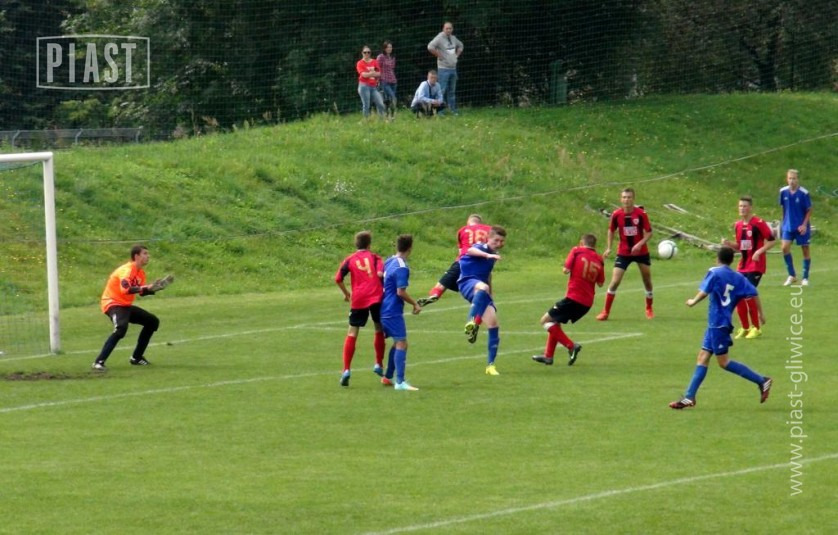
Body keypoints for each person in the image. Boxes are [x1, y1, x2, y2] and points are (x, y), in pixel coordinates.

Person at [669, 246, 772, 409]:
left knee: (723, 362)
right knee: (703, 357)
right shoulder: (738, 277)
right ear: (731, 260)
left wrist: (693, 302)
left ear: (717, 258)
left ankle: (762, 380)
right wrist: (761, 314)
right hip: (716, 324)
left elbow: (704, 292)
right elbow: (754, 292)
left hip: (719, 323)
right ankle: (689, 397)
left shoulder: (714, 272)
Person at [92, 244, 173, 370]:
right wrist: (146, 287)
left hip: (125, 305)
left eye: (148, 254)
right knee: (121, 329)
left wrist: (154, 288)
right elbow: (125, 289)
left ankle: (137, 357)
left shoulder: (140, 273)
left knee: (152, 322)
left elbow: (140, 292)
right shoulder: (127, 270)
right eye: (145, 253)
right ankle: (98, 362)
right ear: (136, 256)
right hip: (112, 303)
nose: (148, 256)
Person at [532, 234, 604, 367]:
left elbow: (565, 270)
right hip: (587, 303)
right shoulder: (599, 259)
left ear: (581, 242)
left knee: (545, 321)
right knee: (555, 321)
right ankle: (548, 356)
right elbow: (600, 283)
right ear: (594, 245)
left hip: (573, 298)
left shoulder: (577, 251)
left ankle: (571, 346)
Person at [335, 231, 386, 387]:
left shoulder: (350, 259)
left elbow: (338, 278)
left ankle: (346, 370)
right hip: (376, 295)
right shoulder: (375, 257)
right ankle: (378, 364)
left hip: (358, 297)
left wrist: (347, 294)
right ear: (369, 244)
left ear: (356, 244)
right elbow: (380, 274)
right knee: (378, 328)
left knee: (352, 332)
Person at [721, 196, 776, 339]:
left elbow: (772, 241)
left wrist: (758, 252)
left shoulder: (759, 223)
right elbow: (741, 247)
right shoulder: (738, 225)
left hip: (756, 265)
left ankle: (756, 328)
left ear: (750, 208)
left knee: (748, 294)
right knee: (737, 295)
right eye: (740, 206)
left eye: (745, 206)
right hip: (743, 265)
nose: (742, 209)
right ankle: (745, 327)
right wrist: (729, 244)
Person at [596, 188, 654, 320]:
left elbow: (649, 232)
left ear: (633, 199)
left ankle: (649, 308)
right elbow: (611, 230)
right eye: (624, 197)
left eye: (629, 197)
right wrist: (609, 248)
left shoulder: (641, 214)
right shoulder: (617, 214)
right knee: (615, 281)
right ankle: (605, 312)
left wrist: (639, 244)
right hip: (623, 252)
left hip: (641, 252)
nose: (626, 200)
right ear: (621, 199)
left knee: (647, 280)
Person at [458, 225, 506, 376]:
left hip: (481, 288)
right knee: (482, 287)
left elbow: (488, 275)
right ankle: (470, 322)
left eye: (501, 241)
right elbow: (470, 251)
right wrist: (487, 255)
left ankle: (490, 366)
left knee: (493, 324)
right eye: (496, 240)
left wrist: (491, 295)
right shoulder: (481, 247)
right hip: (467, 282)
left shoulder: (493, 255)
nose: (499, 244)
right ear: (488, 238)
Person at [418, 214, 491, 307]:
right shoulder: (489, 229)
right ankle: (480, 301)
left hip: (463, 261)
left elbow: (461, 251)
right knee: (479, 285)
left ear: (468, 222)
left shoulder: (462, 230)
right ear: (480, 222)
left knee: (443, 282)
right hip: (481, 264)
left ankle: (435, 294)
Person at [380, 234, 422, 391]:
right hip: (392, 310)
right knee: (401, 343)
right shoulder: (402, 267)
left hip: (383, 307)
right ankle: (400, 382)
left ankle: (387, 376)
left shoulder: (389, 261)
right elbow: (400, 292)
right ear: (410, 248)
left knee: (399, 342)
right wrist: (415, 304)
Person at [779, 169, 812, 286]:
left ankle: (805, 277)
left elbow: (809, 210)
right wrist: (783, 223)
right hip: (788, 226)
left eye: (794, 178)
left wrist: (804, 225)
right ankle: (792, 275)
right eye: (790, 178)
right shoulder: (783, 192)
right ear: (787, 179)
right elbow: (783, 208)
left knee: (805, 250)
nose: (792, 181)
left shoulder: (804, 193)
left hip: (801, 226)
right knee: (784, 248)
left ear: (798, 179)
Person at [427, 21, 463, 115]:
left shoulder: (453, 38)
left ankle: (453, 110)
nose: (448, 30)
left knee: (452, 91)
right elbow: (430, 47)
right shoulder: (439, 38)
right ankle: (440, 111)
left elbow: (461, 45)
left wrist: (456, 55)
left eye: (450, 28)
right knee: (442, 90)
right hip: (443, 69)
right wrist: (439, 55)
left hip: (453, 68)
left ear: (452, 29)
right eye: (447, 28)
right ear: (443, 29)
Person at [356, 45, 386, 118]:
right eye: (365, 52)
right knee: (366, 105)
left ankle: (382, 120)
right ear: (362, 53)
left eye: (368, 52)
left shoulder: (375, 61)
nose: (367, 54)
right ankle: (366, 121)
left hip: (373, 87)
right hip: (364, 86)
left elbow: (379, 73)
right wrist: (373, 73)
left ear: (370, 53)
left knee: (380, 104)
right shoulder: (360, 63)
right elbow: (364, 75)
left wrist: (370, 73)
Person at [376, 41, 397, 118]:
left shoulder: (392, 57)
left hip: (393, 81)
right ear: (384, 48)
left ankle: (391, 116)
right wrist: (377, 80)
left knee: (389, 99)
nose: (389, 49)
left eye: (390, 47)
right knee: (392, 97)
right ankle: (387, 115)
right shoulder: (380, 57)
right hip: (384, 81)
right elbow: (377, 69)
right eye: (388, 47)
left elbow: (392, 69)